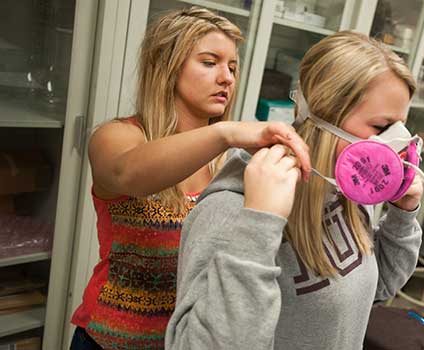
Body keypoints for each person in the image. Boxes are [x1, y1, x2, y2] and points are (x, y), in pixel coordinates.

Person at [69, 7, 311, 350]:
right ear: (166, 66)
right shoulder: (117, 137)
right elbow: (129, 174)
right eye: (210, 62)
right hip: (109, 343)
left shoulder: (233, 161)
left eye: (232, 66)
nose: (227, 77)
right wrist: (226, 133)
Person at [166, 31, 423, 349]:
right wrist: (259, 225)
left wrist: (403, 213)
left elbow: (378, 286)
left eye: (401, 126)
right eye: (382, 128)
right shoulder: (232, 208)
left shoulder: (347, 189)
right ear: (324, 118)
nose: (397, 143)